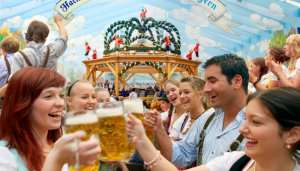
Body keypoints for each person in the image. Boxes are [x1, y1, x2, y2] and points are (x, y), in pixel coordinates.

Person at [127, 87, 300, 171]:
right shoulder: (236, 162)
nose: (242, 129)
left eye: (255, 122)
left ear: (292, 134)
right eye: (245, 119)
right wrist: (141, 140)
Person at [147, 54, 249, 168]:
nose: (206, 89)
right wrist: (159, 129)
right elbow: (180, 156)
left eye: (212, 81)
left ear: (236, 81)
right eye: (206, 82)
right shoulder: (208, 119)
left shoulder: (259, 122)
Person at [0, 67, 100, 170]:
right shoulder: (5, 156)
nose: (60, 103)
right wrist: (56, 159)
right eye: (48, 96)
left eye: (60, 95)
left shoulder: (62, 142)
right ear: (23, 103)